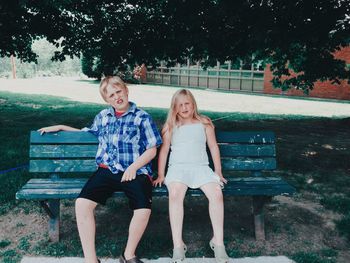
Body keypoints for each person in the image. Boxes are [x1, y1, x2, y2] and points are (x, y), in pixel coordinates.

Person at [38, 76, 162, 263]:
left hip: (135, 171)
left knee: (143, 209)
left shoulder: (142, 117)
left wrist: (134, 167)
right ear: (107, 100)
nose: (116, 97)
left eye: (119, 91)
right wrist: (61, 127)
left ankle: (128, 255)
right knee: (82, 204)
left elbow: (152, 149)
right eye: (111, 95)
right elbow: (87, 132)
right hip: (107, 170)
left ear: (126, 90)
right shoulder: (103, 117)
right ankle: (91, 259)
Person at [153, 89, 230, 263]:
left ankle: (218, 243)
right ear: (174, 107)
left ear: (193, 103)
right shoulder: (170, 126)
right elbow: (164, 151)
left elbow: (213, 147)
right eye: (180, 104)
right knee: (174, 194)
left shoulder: (205, 123)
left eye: (187, 103)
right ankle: (178, 245)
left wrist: (217, 171)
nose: (184, 107)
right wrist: (161, 174)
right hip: (178, 169)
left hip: (201, 168)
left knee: (217, 193)